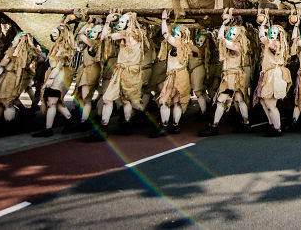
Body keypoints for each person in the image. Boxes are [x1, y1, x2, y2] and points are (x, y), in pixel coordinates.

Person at [86, 12, 145, 141]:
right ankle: (125, 124)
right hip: (126, 70)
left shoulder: (127, 34)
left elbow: (105, 36)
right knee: (124, 100)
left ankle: (107, 128)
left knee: (115, 99)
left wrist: (107, 21)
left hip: (128, 71)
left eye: (122, 22)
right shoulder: (134, 34)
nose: (119, 25)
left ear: (129, 24)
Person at [200, 12, 252, 136]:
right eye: (231, 33)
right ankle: (246, 123)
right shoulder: (233, 44)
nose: (231, 35)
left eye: (234, 34)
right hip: (231, 75)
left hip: (233, 76)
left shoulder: (237, 46)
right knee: (239, 99)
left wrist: (224, 24)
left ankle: (214, 126)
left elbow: (220, 39)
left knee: (221, 100)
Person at [152, 9, 195, 136]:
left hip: (175, 76)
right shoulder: (186, 45)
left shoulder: (178, 43)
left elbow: (165, 34)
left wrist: (164, 19)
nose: (174, 35)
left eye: (177, 34)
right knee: (177, 101)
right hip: (182, 75)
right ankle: (175, 126)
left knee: (164, 101)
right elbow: (169, 33)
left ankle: (164, 126)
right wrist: (169, 22)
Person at [33, 15, 77, 136]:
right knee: (55, 102)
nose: (52, 35)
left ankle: (49, 129)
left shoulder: (62, 48)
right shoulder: (58, 45)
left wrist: (50, 79)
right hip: (57, 76)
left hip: (58, 77)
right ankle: (69, 120)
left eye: (54, 33)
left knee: (52, 102)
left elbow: (58, 65)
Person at [0, 30, 42, 126]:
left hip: (7, 79)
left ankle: (2, 124)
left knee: (4, 102)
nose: (13, 40)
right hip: (18, 79)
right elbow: (41, 59)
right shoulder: (32, 52)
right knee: (7, 101)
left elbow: (1, 67)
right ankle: (8, 122)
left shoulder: (12, 51)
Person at [253, 14, 292, 137]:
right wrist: (264, 24)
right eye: (271, 32)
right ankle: (272, 125)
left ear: (279, 35)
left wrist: (267, 27)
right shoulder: (269, 41)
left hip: (275, 75)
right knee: (264, 101)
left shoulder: (277, 45)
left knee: (271, 104)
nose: (272, 34)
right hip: (268, 74)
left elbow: (269, 43)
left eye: (275, 33)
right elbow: (261, 37)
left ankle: (277, 128)